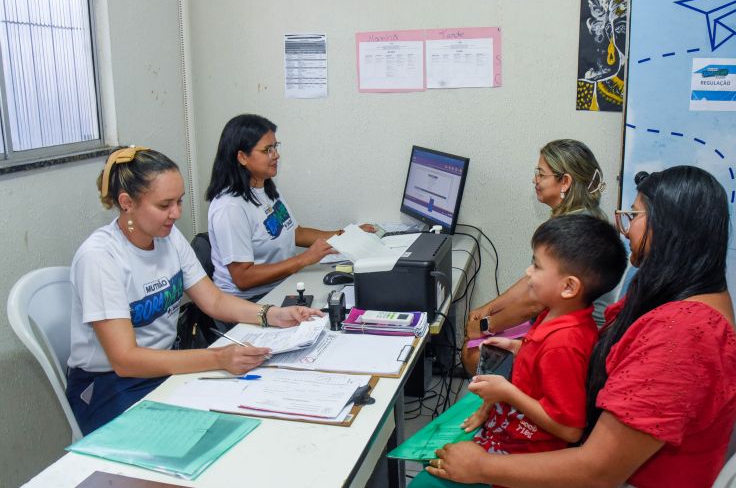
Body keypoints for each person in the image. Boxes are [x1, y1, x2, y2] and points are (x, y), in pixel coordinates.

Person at [426, 166, 736, 488]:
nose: (625, 229)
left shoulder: (685, 334)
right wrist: (527, 351)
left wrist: (482, 467)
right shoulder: (684, 297)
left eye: (634, 215)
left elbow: (599, 471)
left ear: (668, 229)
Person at [66, 147, 321, 434]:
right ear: (127, 203)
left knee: (251, 412)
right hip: (110, 385)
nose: (175, 214)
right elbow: (126, 360)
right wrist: (217, 358)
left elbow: (212, 299)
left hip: (164, 369)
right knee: (204, 435)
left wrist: (272, 314)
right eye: (164, 205)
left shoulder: (168, 237)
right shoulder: (100, 258)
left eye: (179, 202)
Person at [410, 215, 626, 488]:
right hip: (506, 432)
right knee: (430, 459)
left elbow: (569, 430)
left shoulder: (565, 344)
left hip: (523, 454)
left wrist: (507, 392)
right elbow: (544, 365)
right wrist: (519, 348)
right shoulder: (556, 316)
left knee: (423, 483)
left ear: (569, 287)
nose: (528, 272)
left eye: (537, 266)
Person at [463, 139, 608, 373]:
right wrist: (490, 307)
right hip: (557, 326)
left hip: (574, 344)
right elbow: (533, 281)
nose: (535, 180)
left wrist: (485, 325)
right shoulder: (576, 216)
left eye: (541, 174)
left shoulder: (575, 231)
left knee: (473, 353)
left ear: (565, 182)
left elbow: (535, 302)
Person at [206, 114, 373, 301]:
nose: (276, 155)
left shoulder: (264, 186)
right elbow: (243, 278)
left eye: (275, 147)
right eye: (267, 150)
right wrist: (304, 259)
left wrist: (346, 235)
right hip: (249, 301)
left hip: (280, 286)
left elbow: (296, 233)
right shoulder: (230, 208)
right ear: (242, 157)